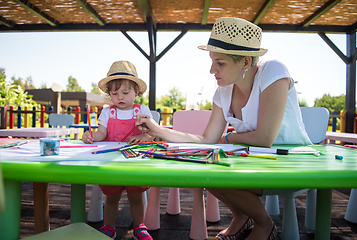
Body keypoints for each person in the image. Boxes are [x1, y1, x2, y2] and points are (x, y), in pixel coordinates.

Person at [135, 17, 312, 240]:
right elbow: (207, 139)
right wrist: (158, 130)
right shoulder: (223, 91)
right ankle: (242, 215)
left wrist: (229, 138)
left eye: (220, 62)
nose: (212, 70)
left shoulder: (273, 71)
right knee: (205, 166)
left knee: (216, 166)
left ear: (246, 62)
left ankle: (264, 224)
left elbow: (265, 138)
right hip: (256, 161)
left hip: (294, 163)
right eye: (212, 61)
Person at [82, 60, 154, 240]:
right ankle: (109, 227)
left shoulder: (142, 110)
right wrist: (91, 136)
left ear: (136, 92)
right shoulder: (107, 112)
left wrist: (145, 137)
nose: (120, 97)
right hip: (111, 162)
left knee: (136, 197)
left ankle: (139, 227)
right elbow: (101, 133)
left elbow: (152, 134)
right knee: (111, 198)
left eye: (125, 92)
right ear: (109, 94)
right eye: (115, 93)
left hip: (134, 162)